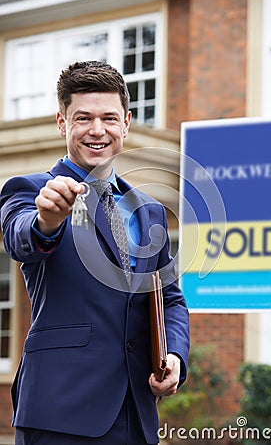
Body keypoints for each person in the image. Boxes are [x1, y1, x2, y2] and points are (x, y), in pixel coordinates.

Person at [0, 60, 190, 445]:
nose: (97, 130)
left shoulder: (149, 210)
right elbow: (21, 237)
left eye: (109, 118)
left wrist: (174, 356)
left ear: (126, 123)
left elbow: (170, 299)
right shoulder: (30, 189)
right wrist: (47, 221)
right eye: (83, 118)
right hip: (61, 412)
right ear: (62, 122)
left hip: (137, 414)